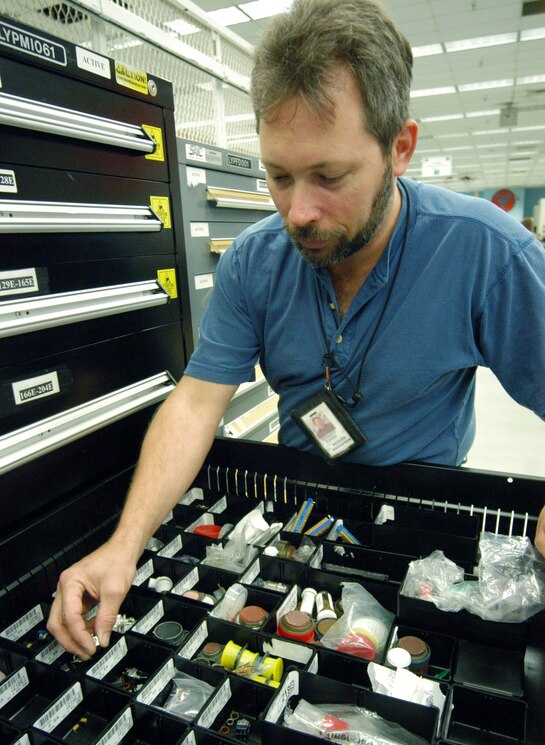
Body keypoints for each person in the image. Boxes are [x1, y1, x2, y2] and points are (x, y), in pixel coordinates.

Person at [47, 0, 545, 659]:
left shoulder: (486, 254)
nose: (298, 212)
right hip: (297, 504)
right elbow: (197, 403)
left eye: (328, 176)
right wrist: (123, 544)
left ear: (399, 147)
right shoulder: (255, 260)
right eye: (278, 176)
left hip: (423, 513)